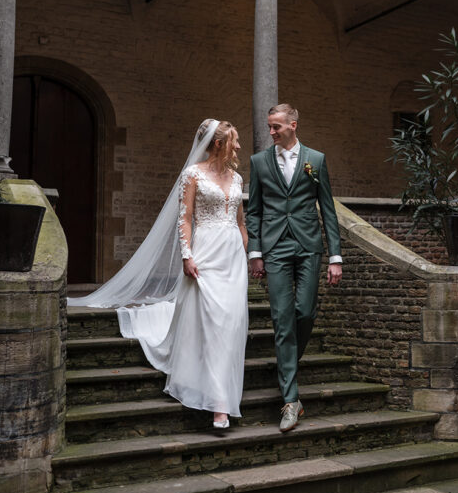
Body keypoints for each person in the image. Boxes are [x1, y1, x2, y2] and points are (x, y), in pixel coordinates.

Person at [69, 119, 248, 430]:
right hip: (205, 254)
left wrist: (244, 249)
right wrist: (187, 255)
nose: (239, 146)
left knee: (231, 324)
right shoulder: (193, 175)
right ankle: (220, 404)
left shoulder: (237, 179)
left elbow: (240, 221)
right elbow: (186, 218)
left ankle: (224, 390)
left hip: (233, 259)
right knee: (213, 322)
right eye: (234, 140)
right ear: (219, 144)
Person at [246, 103, 342, 433]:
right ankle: (291, 400)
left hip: (309, 246)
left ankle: (286, 362)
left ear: (293, 125)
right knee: (281, 317)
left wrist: (335, 257)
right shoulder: (258, 162)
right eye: (269, 127)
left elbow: (327, 210)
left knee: (304, 312)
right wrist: (255, 252)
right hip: (274, 248)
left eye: (276, 127)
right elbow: (253, 211)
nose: (270, 132)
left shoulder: (315, 160)